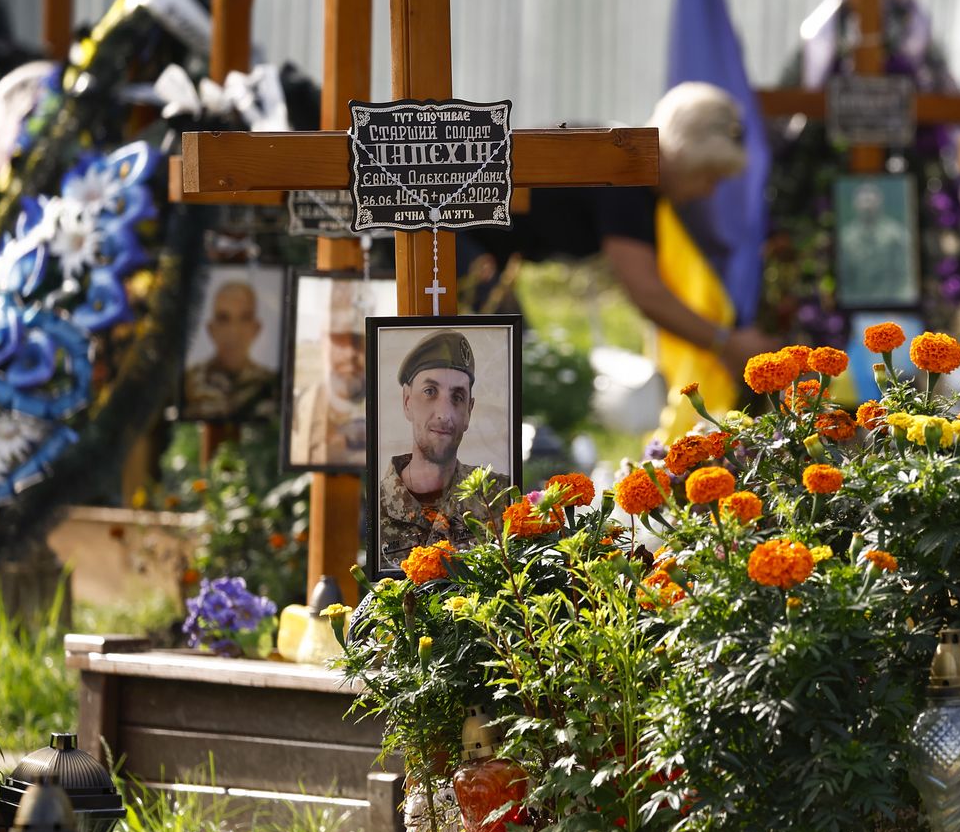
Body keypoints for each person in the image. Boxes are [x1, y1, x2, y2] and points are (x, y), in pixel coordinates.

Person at [459, 82, 774, 375]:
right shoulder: (625, 176)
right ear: (689, 155)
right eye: (710, 175)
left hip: (476, 243)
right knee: (515, 361)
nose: (708, 191)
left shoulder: (626, 160)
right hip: (451, 234)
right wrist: (726, 344)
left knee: (517, 356)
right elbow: (648, 294)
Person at [377, 328, 512, 565]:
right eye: (430, 392)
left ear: (469, 411)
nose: (444, 413)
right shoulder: (374, 506)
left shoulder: (499, 498)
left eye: (457, 397)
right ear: (407, 402)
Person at [289, 279, 372, 468]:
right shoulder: (298, 408)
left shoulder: (390, 406)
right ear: (323, 340)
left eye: (358, 340)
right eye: (339, 340)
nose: (350, 353)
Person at [184, 278, 277, 420]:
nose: (234, 331)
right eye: (223, 319)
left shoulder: (273, 384)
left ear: (256, 328)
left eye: (244, 318)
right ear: (211, 329)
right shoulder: (187, 383)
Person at [836, 179, 916, 306]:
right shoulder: (845, 239)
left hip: (892, 303)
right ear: (855, 204)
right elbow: (844, 281)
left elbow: (906, 278)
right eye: (863, 201)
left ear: (880, 203)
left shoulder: (897, 235)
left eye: (871, 201)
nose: (867, 206)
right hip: (855, 303)